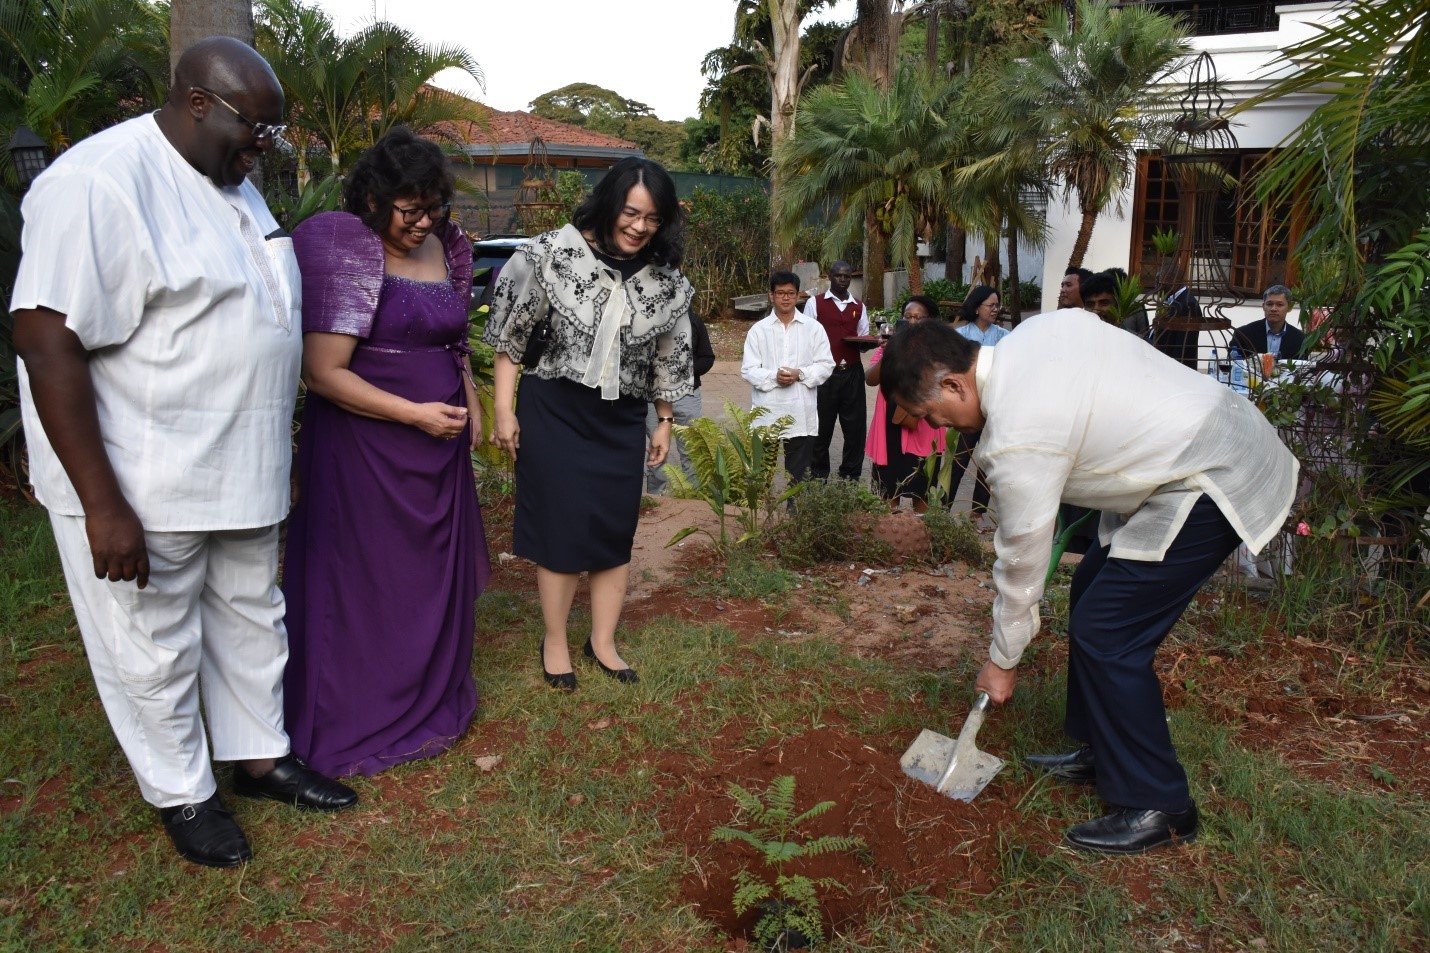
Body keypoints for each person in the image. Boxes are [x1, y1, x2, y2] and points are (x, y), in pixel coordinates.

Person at [10, 37, 356, 869]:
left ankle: (259, 756)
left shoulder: (230, 180)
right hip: (144, 476)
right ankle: (183, 792)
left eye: (271, 133)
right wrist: (103, 502)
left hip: (241, 464)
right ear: (198, 100)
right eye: (256, 128)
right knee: (152, 639)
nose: (263, 147)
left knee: (249, 616)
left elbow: (249, 323)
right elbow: (45, 336)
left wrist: (280, 446)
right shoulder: (97, 182)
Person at [878, 312, 1297, 855]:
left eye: (933, 413)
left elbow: (1022, 561)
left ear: (955, 383)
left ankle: (1162, 806)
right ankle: (1104, 747)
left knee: (1109, 629)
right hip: (1201, 448)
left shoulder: (1018, 432)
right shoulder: (1031, 337)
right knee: (1091, 588)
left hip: (1215, 473)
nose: (938, 427)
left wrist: (1002, 661)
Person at [280, 127, 491, 777]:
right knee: (368, 579)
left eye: (433, 207)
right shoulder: (347, 247)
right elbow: (323, 372)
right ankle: (360, 710)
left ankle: (427, 692)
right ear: (373, 197)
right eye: (410, 208)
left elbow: (451, 340)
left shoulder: (447, 247)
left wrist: (469, 399)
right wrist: (414, 414)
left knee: (425, 579)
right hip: (364, 449)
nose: (423, 222)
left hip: (437, 450)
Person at [485, 156, 694, 691]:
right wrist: (504, 410)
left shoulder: (666, 280)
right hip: (555, 409)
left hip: (620, 419)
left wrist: (663, 420)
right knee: (559, 527)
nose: (639, 227)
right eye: (630, 213)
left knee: (612, 527)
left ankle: (602, 641)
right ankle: (555, 641)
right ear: (609, 205)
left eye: (652, 218)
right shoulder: (552, 255)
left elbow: (669, 356)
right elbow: (511, 338)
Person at [742, 271, 835, 483]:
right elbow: (748, 369)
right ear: (771, 295)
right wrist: (774, 377)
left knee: (799, 478)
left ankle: (795, 515)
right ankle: (761, 515)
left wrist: (800, 373)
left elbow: (826, 364)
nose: (785, 298)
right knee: (760, 477)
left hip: (801, 413)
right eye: (780, 293)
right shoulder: (758, 330)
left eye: (790, 293)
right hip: (767, 413)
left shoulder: (813, 328)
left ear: (797, 296)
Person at [865, 295, 947, 511]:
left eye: (918, 318)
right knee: (888, 491)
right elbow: (870, 379)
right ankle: (890, 539)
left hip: (923, 428)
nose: (911, 322)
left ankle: (925, 538)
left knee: (922, 492)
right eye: (907, 317)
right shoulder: (890, 346)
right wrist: (890, 352)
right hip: (888, 426)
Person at [802, 260, 868, 481]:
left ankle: (850, 477)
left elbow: (863, 336)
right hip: (824, 375)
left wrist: (874, 342)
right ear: (829, 277)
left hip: (852, 372)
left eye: (847, 276)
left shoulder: (859, 306)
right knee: (821, 426)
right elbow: (808, 337)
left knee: (855, 428)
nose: (843, 279)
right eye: (838, 275)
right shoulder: (815, 303)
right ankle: (818, 476)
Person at [948, 286, 1007, 522]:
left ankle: (978, 513)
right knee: (959, 459)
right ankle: (943, 507)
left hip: (993, 406)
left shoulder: (1004, 336)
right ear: (976, 307)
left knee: (986, 461)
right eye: (990, 305)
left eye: (997, 306)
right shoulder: (959, 336)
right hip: (967, 407)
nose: (995, 310)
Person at [646, 308, 716, 494]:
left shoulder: (694, 320)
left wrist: (684, 372)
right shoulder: (647, 320)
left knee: (691, 453)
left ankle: (693, 498)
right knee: (656, 451)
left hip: (688, 396)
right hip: (654, 397)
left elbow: (707, 357)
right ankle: (656, 497)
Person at [1233, 285, 1306, 360]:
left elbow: (1303, 367)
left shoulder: (1299, 338)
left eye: (1280, 305)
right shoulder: (1243, 334)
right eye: (1269, 304)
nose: (1273, 309)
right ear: (1263, 307)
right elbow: (1233, 364)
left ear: (1289, 308)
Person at [1148, 286, 1202, 370]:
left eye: (1159, 280)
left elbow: (1182, 349)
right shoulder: (1170, 301)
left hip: (1174, 373)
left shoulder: (1188, 305)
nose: (1157, 286)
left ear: (1172, 277)